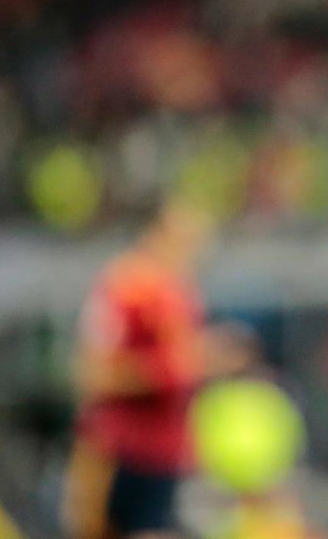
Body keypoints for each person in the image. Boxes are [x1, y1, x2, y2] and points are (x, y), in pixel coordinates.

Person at [63, 201, 215, 539]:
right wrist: (168, 368)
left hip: (163, 455)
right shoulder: (127, 287)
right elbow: (92, 373)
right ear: (156, 233)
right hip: (123, 453)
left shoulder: (179, 290)